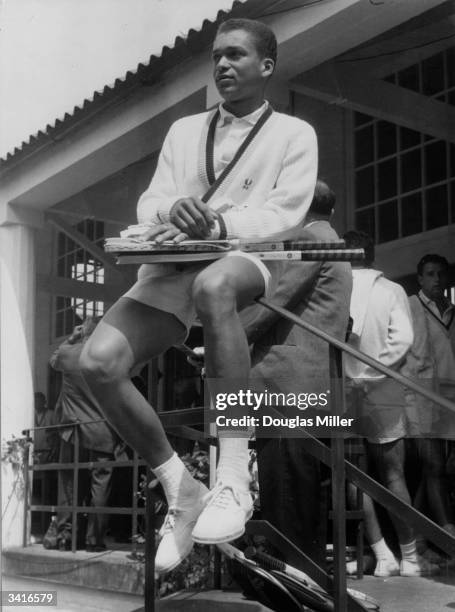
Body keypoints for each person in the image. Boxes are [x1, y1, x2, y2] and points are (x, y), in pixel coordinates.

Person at [80, 17, 317, 573]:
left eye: (235, 55)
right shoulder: (184, 130)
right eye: (216, 57)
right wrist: (172, 211)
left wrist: (215, 223)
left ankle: (233, 471)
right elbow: (150, 202)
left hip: (241, 256)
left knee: (215, 287)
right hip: (173, 262)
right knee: (97, 362)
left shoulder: (294, 133)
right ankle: (182, 490)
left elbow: (284, 214)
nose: (222, 66)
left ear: (267, 66)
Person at [240, 179, 352, 565]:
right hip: (312, 379)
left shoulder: (309, 240)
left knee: (285, 486)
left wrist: (226, 342)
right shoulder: (332, 240)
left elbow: (275, 302)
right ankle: (307, 571)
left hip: (286, 382)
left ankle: (294, 574)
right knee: (302, 487)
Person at [343, 230, 438, 577]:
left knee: (353, 475)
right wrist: (374, 374)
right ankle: (410, 557)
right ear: (371, 254)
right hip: (382, 389)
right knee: (393, 473)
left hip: (343, 390)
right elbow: (404, 339)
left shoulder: (335, 289)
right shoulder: (391, 290)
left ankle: (382, 554)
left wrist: (354, 376)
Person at [50, 317, 127, 552]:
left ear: (83, 332)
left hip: (72, 433)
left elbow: (53, 360)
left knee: (69, 487)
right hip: (103, 432)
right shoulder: (109, 359)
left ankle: (65, 538)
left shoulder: (68, 354)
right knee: (101, 486)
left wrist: (72, 338)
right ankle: (95, 541)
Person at [405, 254, 455, 545]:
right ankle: (446, 531)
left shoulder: (450, 310)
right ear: (420, 279)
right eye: (431, 274)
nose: (437, 279)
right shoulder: (413, 306)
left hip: (451, 397)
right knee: (432, 465)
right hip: (425, 395)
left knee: (439, 469)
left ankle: (422, 538)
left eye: (441, 274)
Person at [33, 392, 58, 464]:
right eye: (35, 401)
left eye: (39, 401)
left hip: (47, 451)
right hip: (33, 450)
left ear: (44, 402)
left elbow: (58, 431)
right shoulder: (31, 414)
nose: (37, 403)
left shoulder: (51, 414)